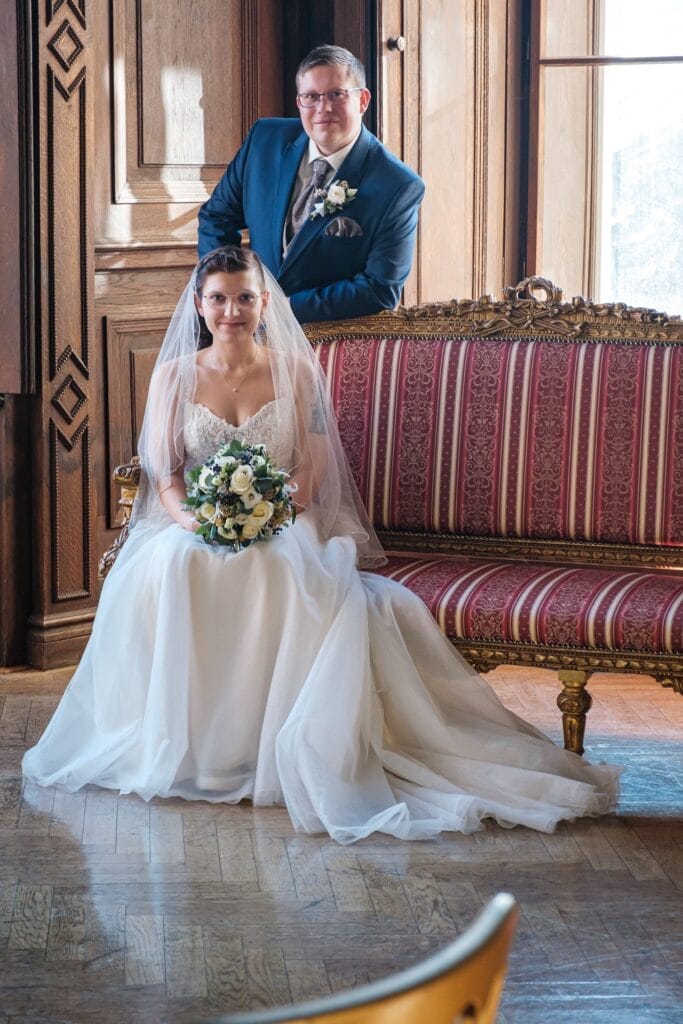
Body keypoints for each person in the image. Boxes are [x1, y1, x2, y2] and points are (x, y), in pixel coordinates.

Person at [22, 246, 620, 844]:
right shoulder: (176, 374)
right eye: (219, 298)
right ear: (200, 305)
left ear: (263, 303)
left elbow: (310, 467)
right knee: (179, 566)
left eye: (245, 297)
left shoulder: (297, 370)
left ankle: (270, 742)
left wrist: (272, 512)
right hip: (193, 524)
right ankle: (200, 750)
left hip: (285, 515)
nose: (232, 310)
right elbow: (168, 477)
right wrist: (196, 522)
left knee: (280, 564)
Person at [197, 45, 425, 323]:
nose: (323, 108)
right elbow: (216, 217)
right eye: (311, 96)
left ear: (363, 100)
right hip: (244, 331)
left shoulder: (397, 185)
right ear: (299, 102)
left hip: (326, 341)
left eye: (336, 94)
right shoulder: (264, 141)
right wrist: (228, 292)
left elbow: (380, 289)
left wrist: (282, 309)